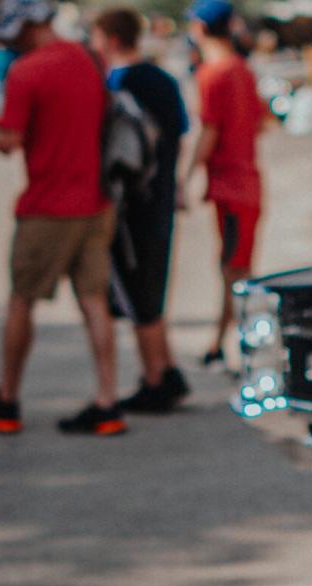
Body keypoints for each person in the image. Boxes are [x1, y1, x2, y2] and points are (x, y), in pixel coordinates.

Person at [0, 0, 126, 436]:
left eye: (16, 34)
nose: (12, 44)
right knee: (94, 302)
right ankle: (108, 401)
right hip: (96, 202)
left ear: (31, 26)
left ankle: (7, 400)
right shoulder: (89, 59)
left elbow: (10, 141)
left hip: (48, 207)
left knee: (22, 301)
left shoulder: (26, 72)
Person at [91, 6, 190, 412]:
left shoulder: (117, 84)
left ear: (112, 39)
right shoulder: (163, 80)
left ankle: (154, 379)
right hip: (162, 195)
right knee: (154, 283)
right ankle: (167, 367)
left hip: (132, 205)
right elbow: (179, 136)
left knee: (139, 294)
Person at [185, 0, 264, 368]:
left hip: (232, 188)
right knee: (235, 269)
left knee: (235, 273)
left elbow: (209, 132)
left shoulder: (213, 74)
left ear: (200, 28)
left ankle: (245, 348)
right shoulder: (242, 70)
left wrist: (185, 176)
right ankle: (222, 343)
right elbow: (260, 121)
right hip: (245, 185)